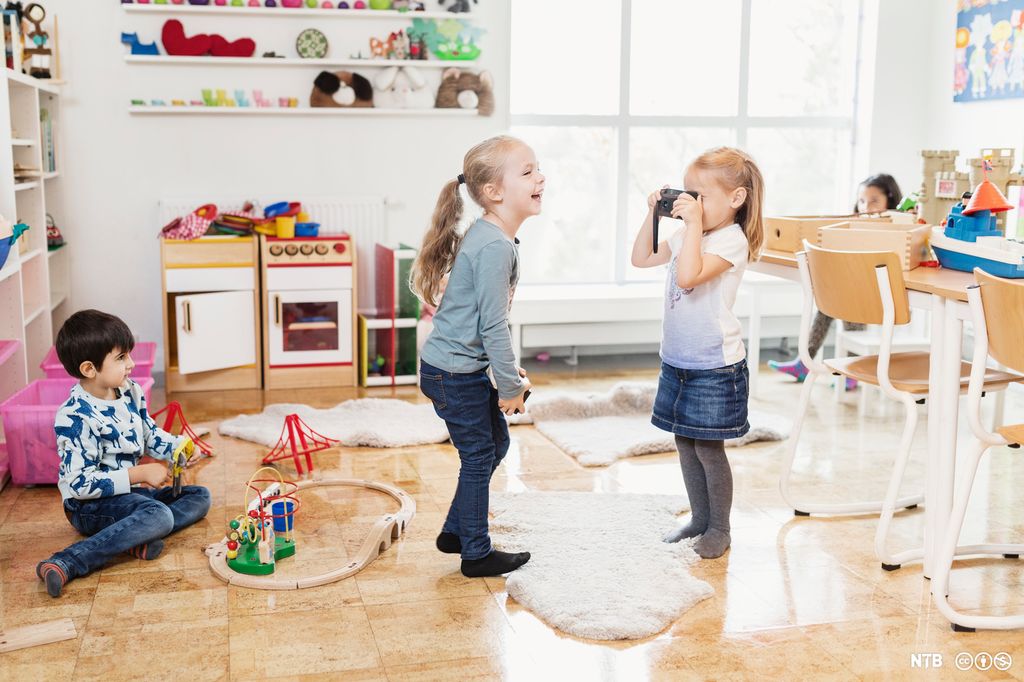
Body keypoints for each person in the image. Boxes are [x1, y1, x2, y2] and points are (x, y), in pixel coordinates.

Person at [412, 135, 542, 577]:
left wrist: (506, 372)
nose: (540, 177)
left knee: (494, 445)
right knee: (479, 454)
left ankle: (456, 531)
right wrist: (511, 386)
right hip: (454, 374)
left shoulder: (493, 238)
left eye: (537, 169)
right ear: (494, 192)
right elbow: (492, 327)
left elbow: (482, 325)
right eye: (527, 172)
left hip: (457, 367)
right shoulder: (492, 246)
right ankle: (475, 553)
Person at [630, 147, 765, 559]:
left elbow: (688, 276)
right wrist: (653, 213)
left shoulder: (731, 241)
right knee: (684, 442)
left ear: (736, 199)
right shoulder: (691, 232)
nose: (690, 203)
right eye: (687, 194)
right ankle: (698, 518)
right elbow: (641, 258)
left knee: (708, 447)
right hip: (678, 360)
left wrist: (691, 229)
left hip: (715, 365)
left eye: (700, 196)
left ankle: (719, 528)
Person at [35, 310, 210, 597]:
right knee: (160, 516)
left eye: (128, 355)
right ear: (89, 369)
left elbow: (148, 435)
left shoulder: (130, 391)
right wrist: (139, 473)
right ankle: (68, 561)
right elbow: (79, 483)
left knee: (200, 497)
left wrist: (177, 447)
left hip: (129, 497)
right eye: (120, 358)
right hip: (87, 506)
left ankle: (133, 536)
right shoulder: (74, 416)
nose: (130, 364)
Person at [768, 173, 903, 384]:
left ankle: (844, 367)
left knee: (847, 295)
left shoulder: (897, 228)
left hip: (880, 292)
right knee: (831, 296)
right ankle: (825, 365)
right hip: (861, 288)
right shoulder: (854, 226)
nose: (866, 207)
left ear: (891, 200)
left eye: (874, 201)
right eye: (861, 201)